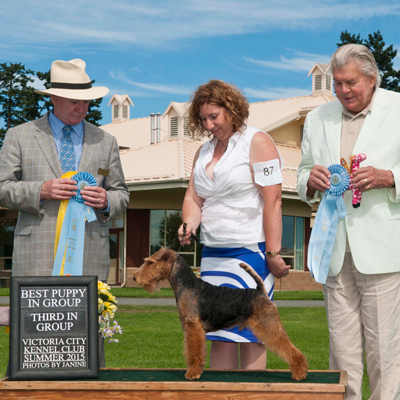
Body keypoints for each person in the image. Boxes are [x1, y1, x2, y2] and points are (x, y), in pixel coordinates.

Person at [297, 44, 400, 400]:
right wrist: (309, 181)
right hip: (334, 250)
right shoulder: (317, 117)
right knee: (341, 350)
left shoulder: (398, 108)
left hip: (383, 251)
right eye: (337, 83)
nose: (342, 90)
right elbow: (302, 170)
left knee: (384, 350)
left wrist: (391, 177)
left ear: (372, 80)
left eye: (350, 82)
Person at [0, 60, 129, 328]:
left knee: (86, 339)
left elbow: (121, 193)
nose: (82, 108)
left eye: (87, 102)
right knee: (34, 335)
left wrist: (107, 201)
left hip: (90, 254)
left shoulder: (106, 141)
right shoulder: (19, 135)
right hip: (37, 255)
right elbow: (3, 188)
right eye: (74, 101)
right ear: (54, 97)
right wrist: (40, 190)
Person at [178, 79, 290, 370]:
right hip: (213, 254)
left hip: (250, 252)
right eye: (203, 119)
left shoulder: (258, 141)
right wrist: (188, 224)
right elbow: (193, 197)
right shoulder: (203, 152)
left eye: (214, 116)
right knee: (220, 335)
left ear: (231, 109)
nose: (209, 124)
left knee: (253, 334)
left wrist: (274, 254)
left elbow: (273, 200)